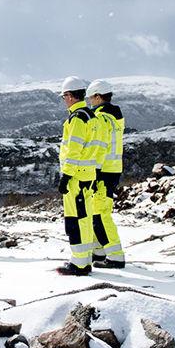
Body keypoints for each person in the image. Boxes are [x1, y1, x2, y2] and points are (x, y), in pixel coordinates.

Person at [56, 77, 102, 276]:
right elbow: (100, 147)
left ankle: (79, 263)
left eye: (64, 96)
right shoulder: (93, 117)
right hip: (88, 174)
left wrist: (66, 176)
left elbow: (73, 150)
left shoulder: (77, 119)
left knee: (75, 220)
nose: (64, 100)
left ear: (70, 96)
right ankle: (84, 260)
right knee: (85, 217)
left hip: (76, 177)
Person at [86, 80, 126, 269]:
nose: (89, 102)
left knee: (100, 214)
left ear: (98, 96)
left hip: (102, 171)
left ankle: (115, 255)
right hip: (113, 168)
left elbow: (99, 147)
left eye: (91, 98)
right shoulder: (116, 116)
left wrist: (93, 170)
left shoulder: (101, 118)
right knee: (97, 211)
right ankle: (100, 251)